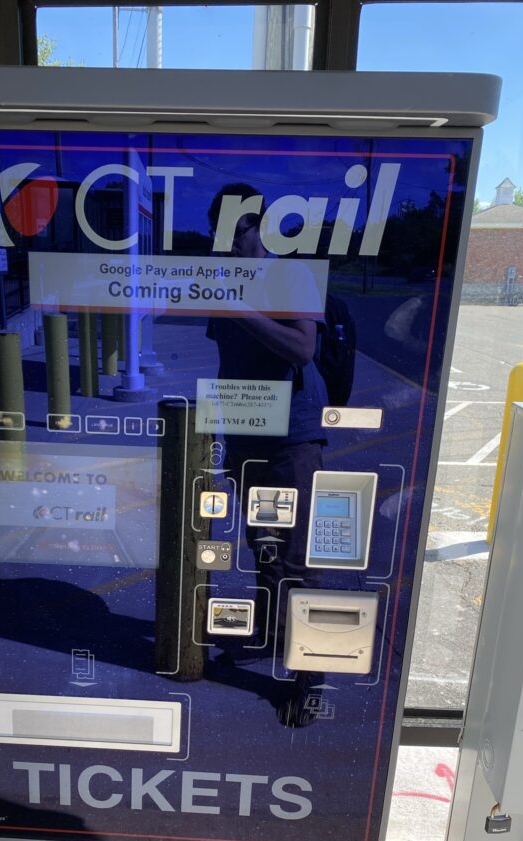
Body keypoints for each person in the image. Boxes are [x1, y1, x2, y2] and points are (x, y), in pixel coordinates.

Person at [205, 184, 329, 725]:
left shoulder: (289, 275)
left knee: (296, 563)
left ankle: (311, 681)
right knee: (264, 548)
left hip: (291, 439)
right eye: (222, 233)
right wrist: (220, 429)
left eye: (239, 231)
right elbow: (229, 361)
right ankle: (273, 634)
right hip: (248, 434)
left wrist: (239, 308)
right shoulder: (226, 279)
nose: (230, 243)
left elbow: (303, 348)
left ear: (261, 228)